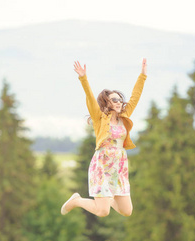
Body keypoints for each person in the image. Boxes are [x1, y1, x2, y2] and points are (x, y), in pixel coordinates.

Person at [61, 58, 147, 217]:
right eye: (115, 99)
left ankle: (108, 197)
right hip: (102, 165)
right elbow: (90, 97)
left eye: (120, 99)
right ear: (106, 102)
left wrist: (142, 75)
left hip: (119, 166)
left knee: (127, 211)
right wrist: (83, 78)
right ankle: (77, 200)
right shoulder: (99, 118)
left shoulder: (124, 117)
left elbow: (135, 97)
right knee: (103, 211)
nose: (119, 102)